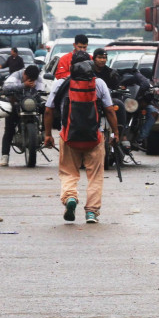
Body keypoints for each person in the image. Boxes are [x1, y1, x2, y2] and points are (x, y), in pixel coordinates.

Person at [43, 51, 119, 224]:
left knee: (68, 172)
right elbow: (109, 109)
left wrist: (48, 135)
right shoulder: (99, 83)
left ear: (71, 66)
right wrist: (115, 133)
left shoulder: (61, 83)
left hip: (68, 136)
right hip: (95, 137)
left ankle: (70, 198)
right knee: (95, 175)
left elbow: (48, 110)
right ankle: (91, 212)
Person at [0, 65, 46, 167]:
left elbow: (42, 91)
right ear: (24, 74)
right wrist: (23, 85)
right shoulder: (16, 75)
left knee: (47, 108)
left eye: (33, 80)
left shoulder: (38, 79)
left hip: (31, 103)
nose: (31, 81)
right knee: (9, 129)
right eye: (28, 78)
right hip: (16, 103)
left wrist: (39, 93)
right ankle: (5, 155)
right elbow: (5, 87)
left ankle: (45, 133)